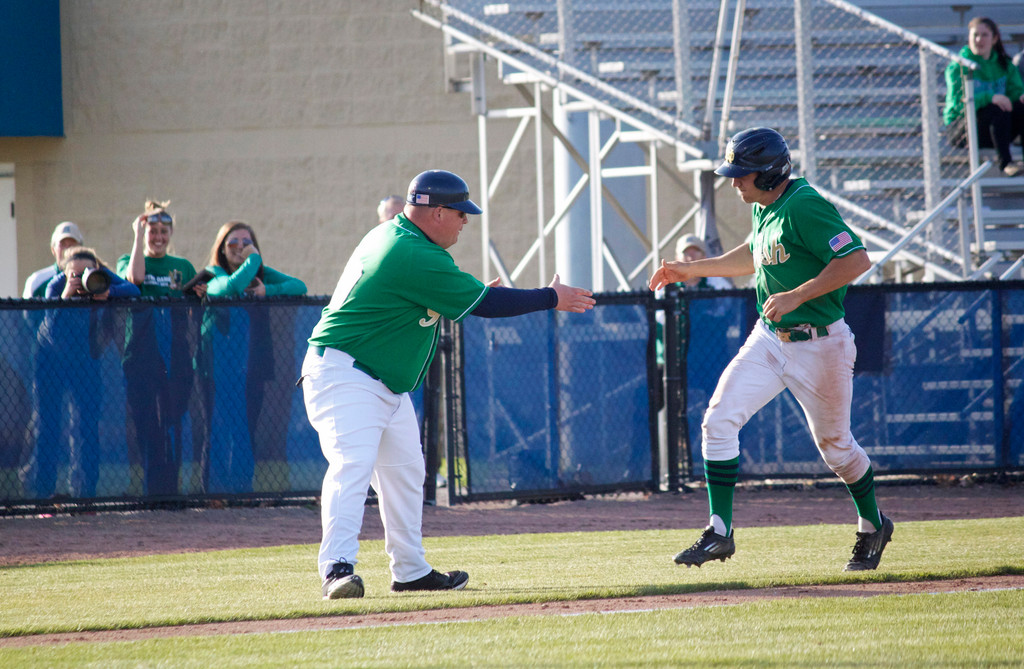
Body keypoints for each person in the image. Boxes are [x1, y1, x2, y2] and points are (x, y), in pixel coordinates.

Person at [302, 169, 595, 599]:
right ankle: (336, 569)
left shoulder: (397, 236)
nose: (465, 221)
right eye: (461, 213)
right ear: (437, 212)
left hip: (379, 380)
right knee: (352, 467)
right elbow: (487, 305)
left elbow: (453, 297)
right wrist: (550, 297)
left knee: (405, 475)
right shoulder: (410, 251)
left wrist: (466, 294)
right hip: (347, 375)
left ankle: (410, 570)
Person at [649, 128, 893, 572]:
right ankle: (720, 532)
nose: (734, 182)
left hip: (821, 344)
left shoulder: (803, 204)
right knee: (718, 421)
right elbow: (754, 256)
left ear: (768, 174)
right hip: (769, 338)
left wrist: (799, 294)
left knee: (837, 450)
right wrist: (691, 269)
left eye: (741, 174)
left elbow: (856, 260)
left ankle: (872, 523)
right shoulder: (767, 206)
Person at [203, 221, 307, 493]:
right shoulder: (213, 272)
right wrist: (253, 260)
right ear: (222, 249)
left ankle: (241, 491)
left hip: (251, 368)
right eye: (233, 243)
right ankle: (213, 491)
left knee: (245, 428)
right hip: (215, 368)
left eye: (246, 242)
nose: (240, 248)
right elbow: (228, 288)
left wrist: (266, 290)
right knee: (217, 428)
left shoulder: (260, 272)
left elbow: (299, 286)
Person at [35, 247, 139, 498]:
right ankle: (43, 495)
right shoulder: (55, 285)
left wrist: (107, 291)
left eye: (88, 272)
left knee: (86, 426)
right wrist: (66, 296)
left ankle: (85, 494)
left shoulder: (100, 279)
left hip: (85, 360)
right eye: (76, 273)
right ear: (64, 271)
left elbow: (134, 290)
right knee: (47, 424)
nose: (83, 277)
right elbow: (50, 328)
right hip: (50, 360)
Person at [116, 200, 200, 497]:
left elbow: (193, 309)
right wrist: (138, 234)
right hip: (140, 355)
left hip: (175, 357)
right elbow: (135, 279)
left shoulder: (183, 267)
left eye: (164, 231)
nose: (159, 237)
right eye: (153, 231)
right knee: (145, 424)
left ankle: (171, 492)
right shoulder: (130, 258)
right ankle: (149, 491)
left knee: (172, 423)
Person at [944, 17, 1024, 176]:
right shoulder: (958, 66)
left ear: (994, 39)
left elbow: (1015, 92)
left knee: (1020, 108)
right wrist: (990, 98)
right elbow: (959, 105)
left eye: (984, 35)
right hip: (963, 130)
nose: (979, 39)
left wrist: (1020, 97)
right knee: (996, 108)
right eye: (975, 35)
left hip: (998, 130)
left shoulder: (1004, 64)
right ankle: (1006, 163)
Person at [23, 221, 85, 298]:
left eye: (72, 245)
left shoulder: (91, 277)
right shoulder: (37, 281)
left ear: (81, 249)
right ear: (53, 250)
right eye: (62, 245)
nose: (67, 250)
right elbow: (28, 310)